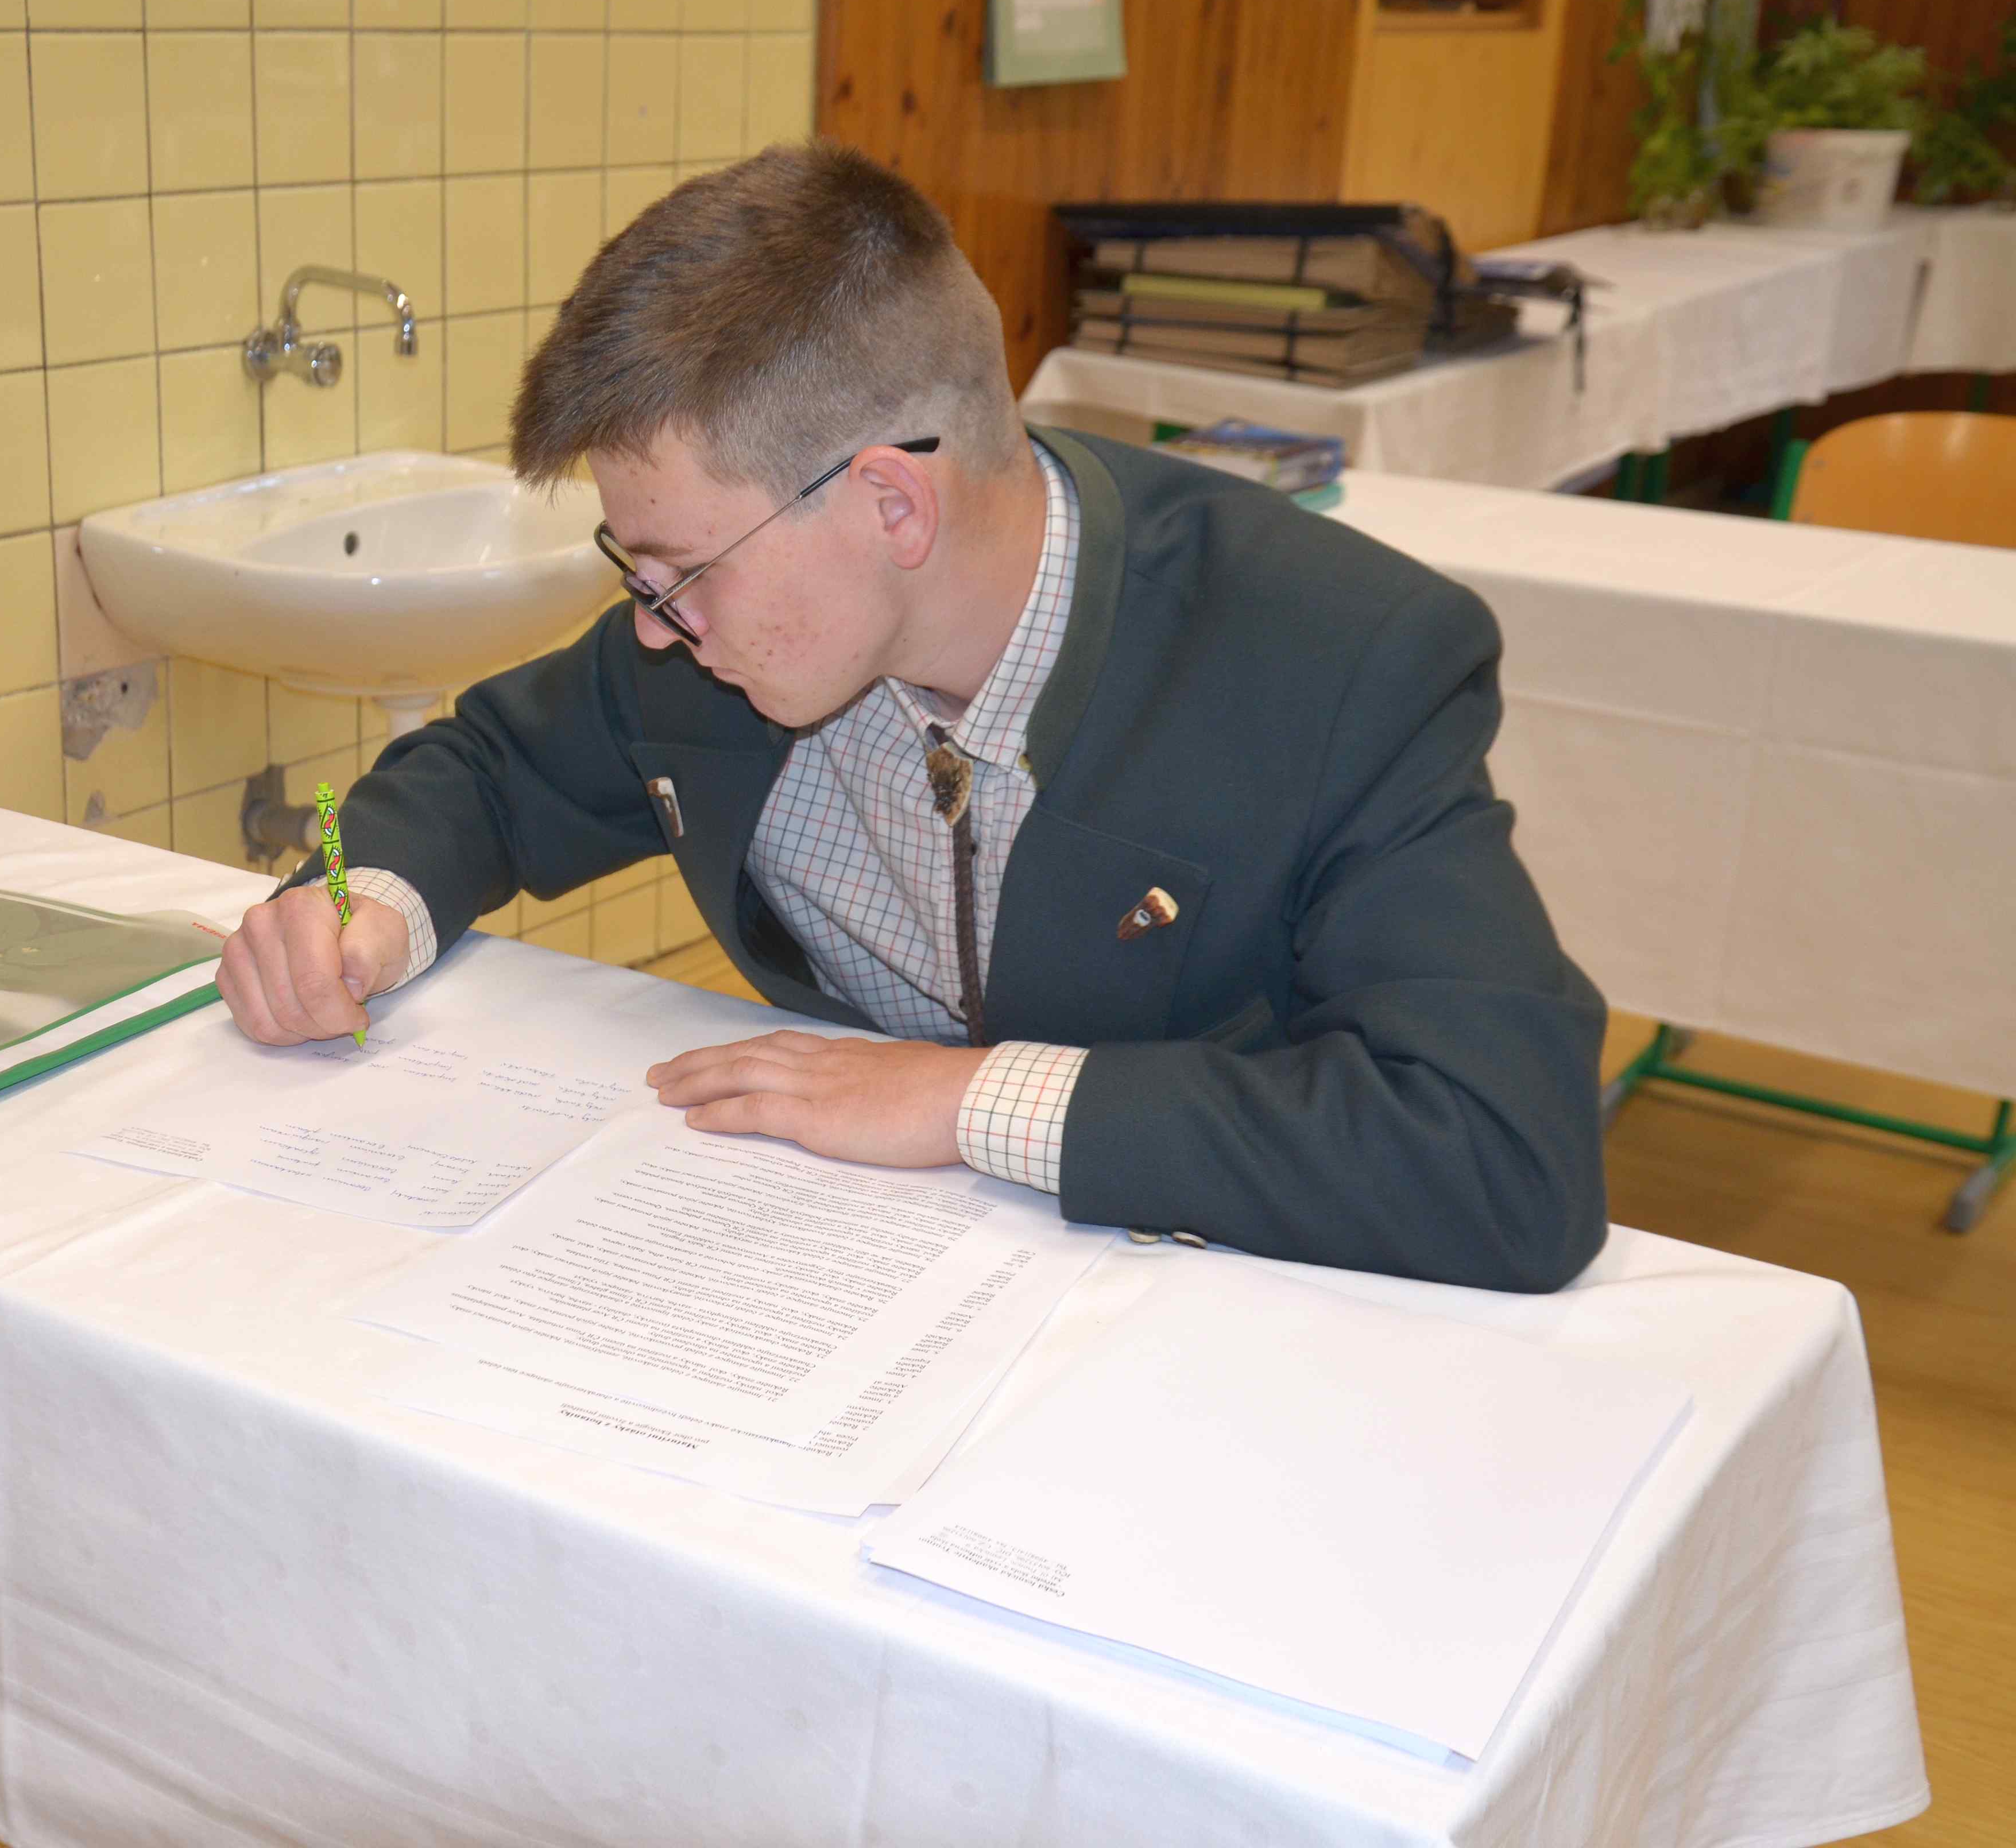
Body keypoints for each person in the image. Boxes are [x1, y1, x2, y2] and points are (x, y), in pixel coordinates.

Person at [216, 143, 1609, 1293]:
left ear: (891, 504)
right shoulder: (706, 641)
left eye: (680, 572)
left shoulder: (1337, 661)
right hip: (837, 1307)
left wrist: (965, 1099)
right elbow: (477, 765)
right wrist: (350, 895)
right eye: (631, 571)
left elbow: (1505, 1158)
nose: (647, 625)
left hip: (1216, 1332)